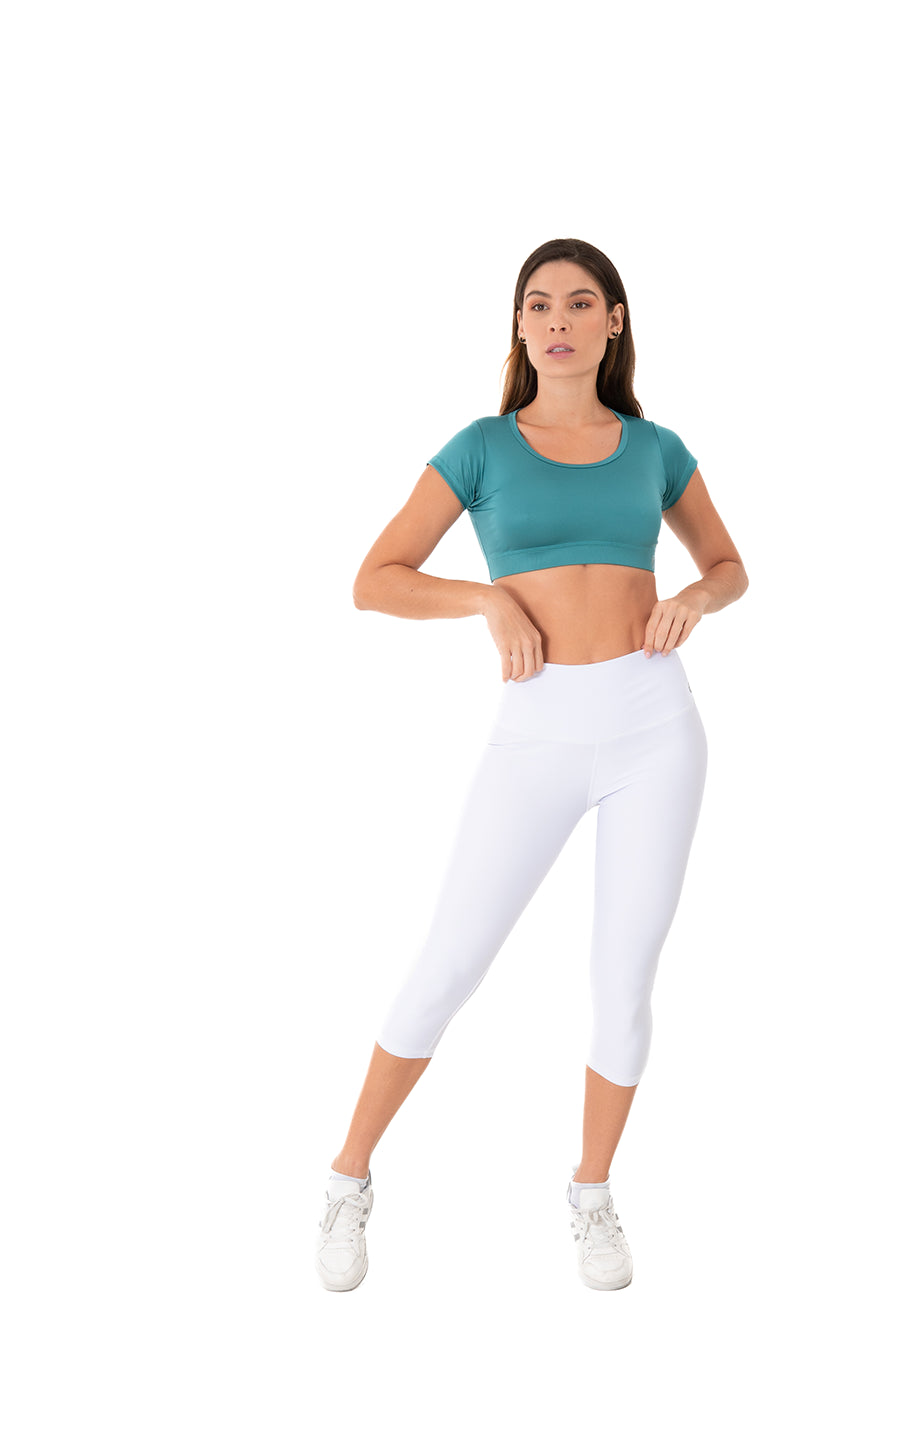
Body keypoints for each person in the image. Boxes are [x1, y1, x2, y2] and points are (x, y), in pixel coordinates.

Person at [316, 237, 748, 1293]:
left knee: (624, 979)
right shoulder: (480, 447)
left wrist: (695, 597)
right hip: (538, 728)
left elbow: (730, 565)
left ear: (614, 322)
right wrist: (485, 598)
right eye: (540, 304)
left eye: (581, 303)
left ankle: (592, 1193)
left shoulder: (656, 448)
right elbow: (374, 579)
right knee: (450, 963)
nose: (559, 320)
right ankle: (347, 1178)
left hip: (654, 725)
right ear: (519, 325)